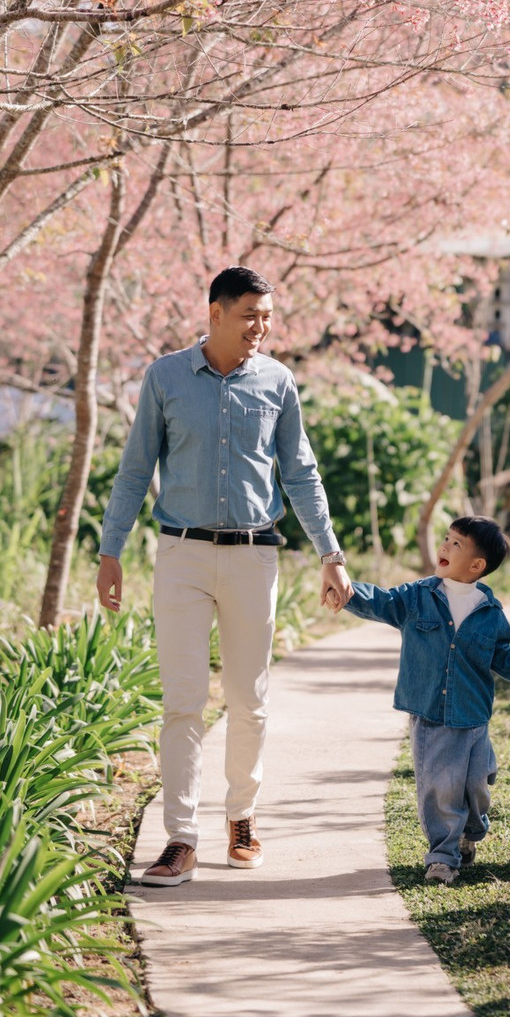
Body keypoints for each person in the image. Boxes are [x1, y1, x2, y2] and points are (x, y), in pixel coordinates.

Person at [97, 265, 352, 887]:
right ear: (215, 313)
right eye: (249, 317)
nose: (260, 328)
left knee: (249, 699)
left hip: (252, 555)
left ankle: (242, 817)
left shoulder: (278, 381)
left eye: (266, 317)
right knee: (182, 702)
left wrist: (331, 553)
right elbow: (135, 471)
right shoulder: (165, 377)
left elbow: (300, 473)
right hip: (181, 555)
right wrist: (111, 550)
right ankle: (180, 838)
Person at [332, 515, 510, 885]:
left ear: (477, 566)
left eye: (457, 544)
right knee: (439, 787)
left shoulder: (490, 612)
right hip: (430, 715)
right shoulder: (418, 596)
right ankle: (442, 855)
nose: (444, 546)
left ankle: (471, 831)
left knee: (476, 785)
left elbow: (506, 659)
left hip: (472, 717)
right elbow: (381, 601)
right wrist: (345, 590)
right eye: (446, 538)